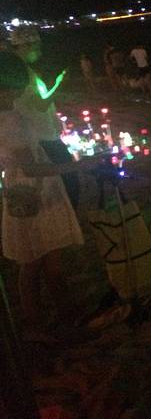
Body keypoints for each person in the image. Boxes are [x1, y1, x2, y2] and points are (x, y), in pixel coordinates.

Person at [0, 51, 98, 336]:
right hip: (35, 195)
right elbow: (31, 169)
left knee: (37, 261)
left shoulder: (8, 115)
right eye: (17, 87)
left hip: (21, 192)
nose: (21, 92)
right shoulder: (10, 121)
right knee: (39, 263)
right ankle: (51, 322)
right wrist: (77, 166)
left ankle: (50, 320)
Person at [10, 27, 81, 209]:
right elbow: (41, 106)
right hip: (42, 138)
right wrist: (59, 83)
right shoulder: (22, 74)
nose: (40, 52)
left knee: (62, 181)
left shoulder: (22, 70)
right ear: (25, 46)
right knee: (69, 181)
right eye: (37, 47)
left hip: (42, 135)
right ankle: (68, 218)